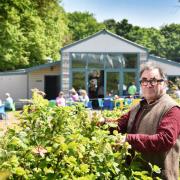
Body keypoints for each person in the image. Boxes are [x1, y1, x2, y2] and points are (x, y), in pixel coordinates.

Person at [101, 62, 180, 180]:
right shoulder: (138, 106)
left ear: (163, 83)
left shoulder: (172, 109)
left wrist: (128, 139)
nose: (148, 84)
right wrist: (102, 122)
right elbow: (119, 125)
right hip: (134, 173)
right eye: (144, 80)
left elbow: (164, 140)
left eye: (153, 80)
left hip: (158, 176)